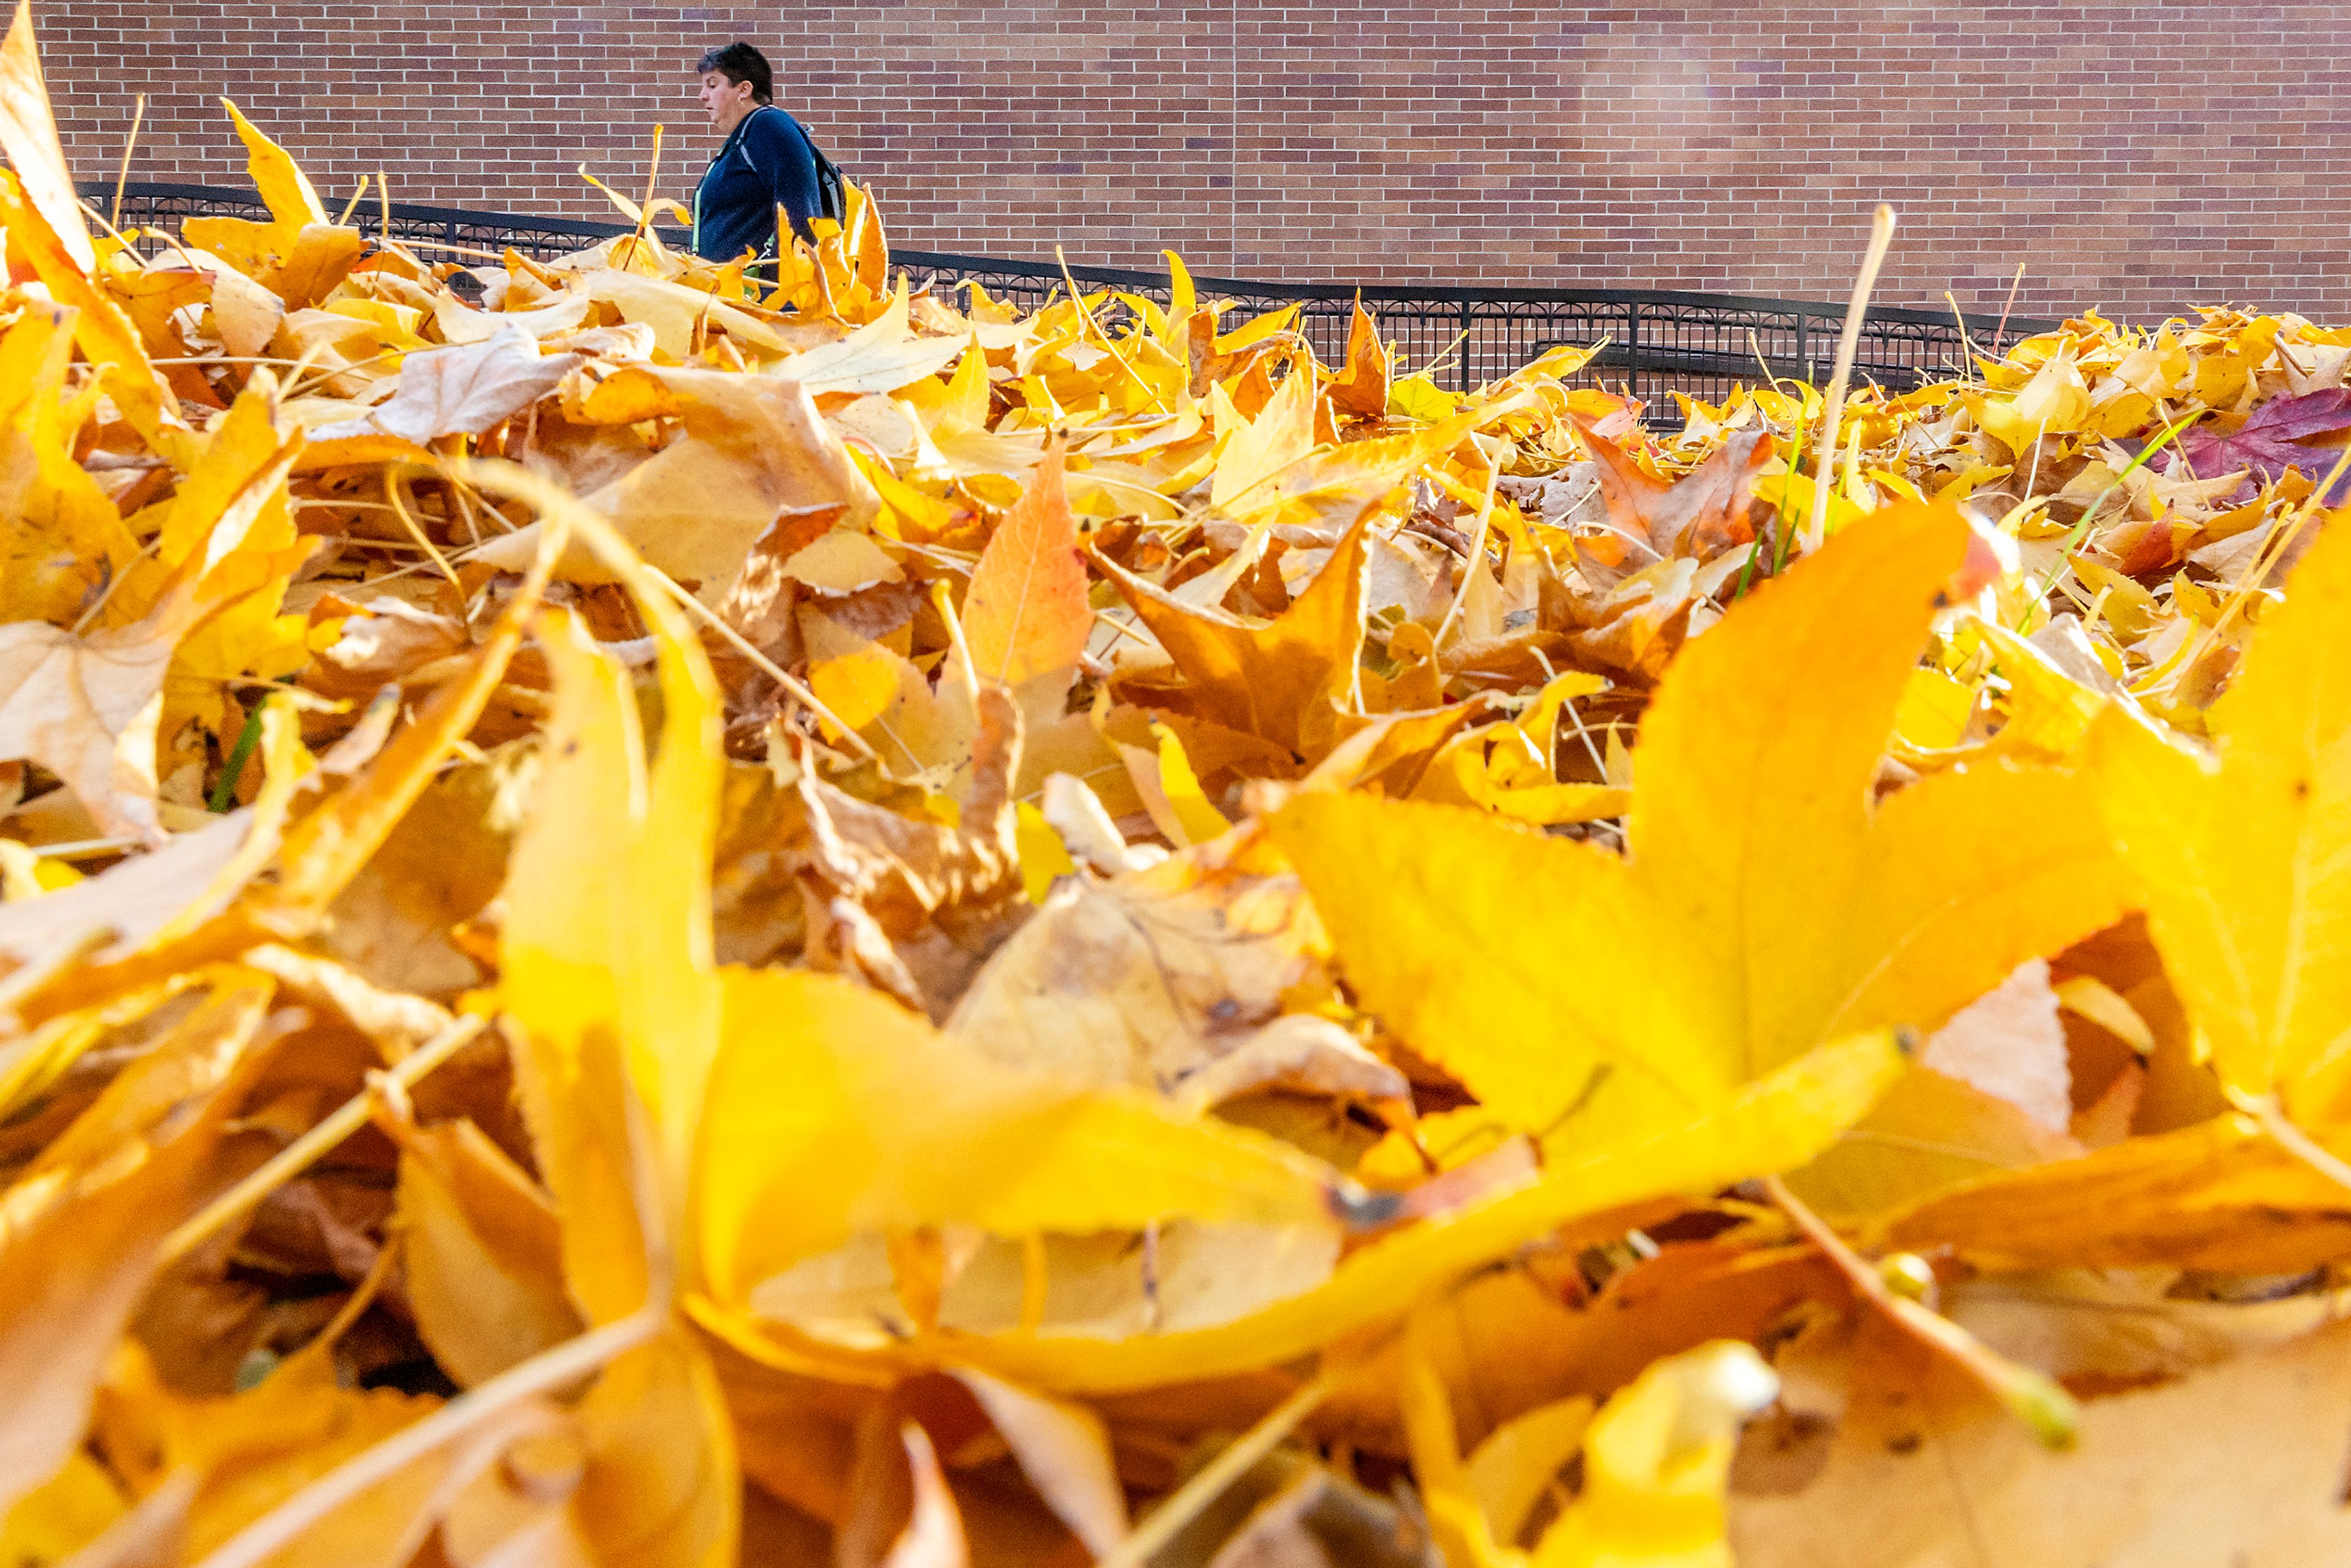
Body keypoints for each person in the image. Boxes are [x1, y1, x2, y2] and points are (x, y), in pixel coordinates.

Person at [691, 43, 825, 271]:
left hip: (757, 299)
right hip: (731, 297)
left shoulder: (769, 126)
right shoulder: (743, 139)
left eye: (712, 85)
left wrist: (768, 291)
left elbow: (802, 221)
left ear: (744, 89)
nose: (703, 95)